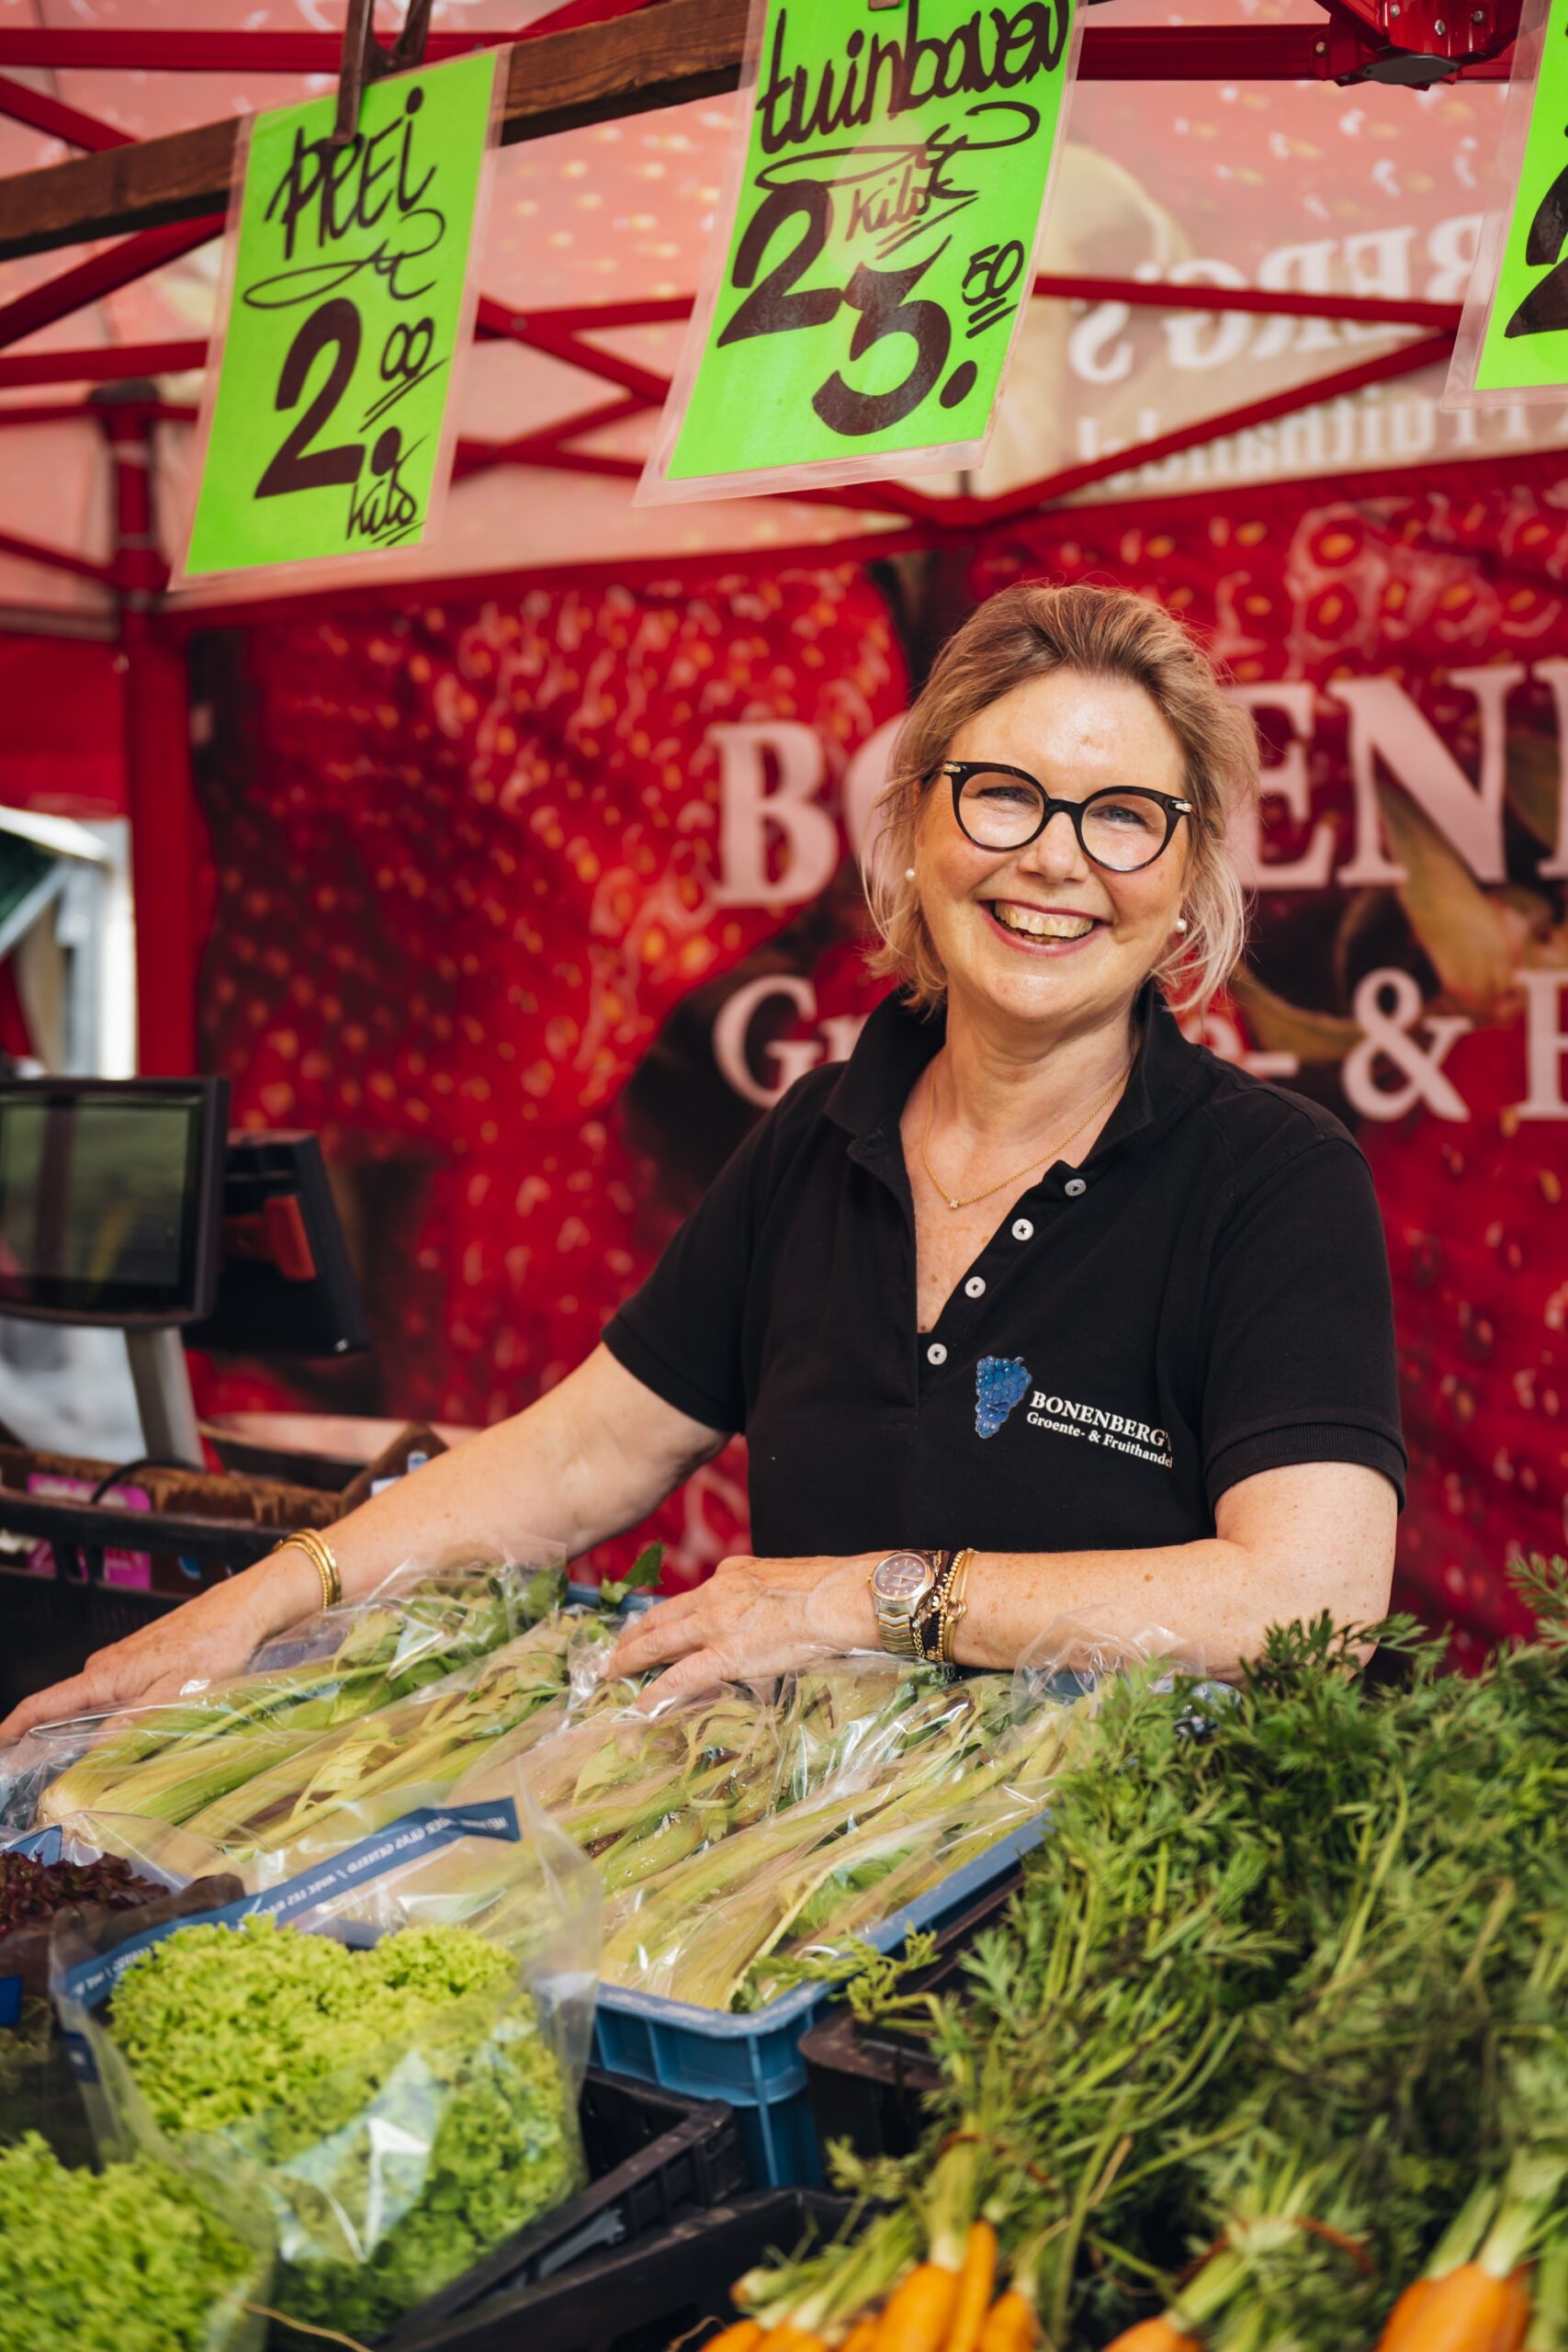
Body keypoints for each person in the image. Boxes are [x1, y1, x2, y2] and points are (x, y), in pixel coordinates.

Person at [0, 583, 1402, 1743]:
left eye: (1123, 816)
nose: (1053, 860)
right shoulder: (816, 1139)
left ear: (1185, 882)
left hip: (1114, 1907)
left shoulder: (1273, 1182)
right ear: (917, 828)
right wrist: (260, 1599)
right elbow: (578, 1454)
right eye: (1003, 797)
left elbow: (1313, 1603)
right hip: (800, 1883)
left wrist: (869, 1598)